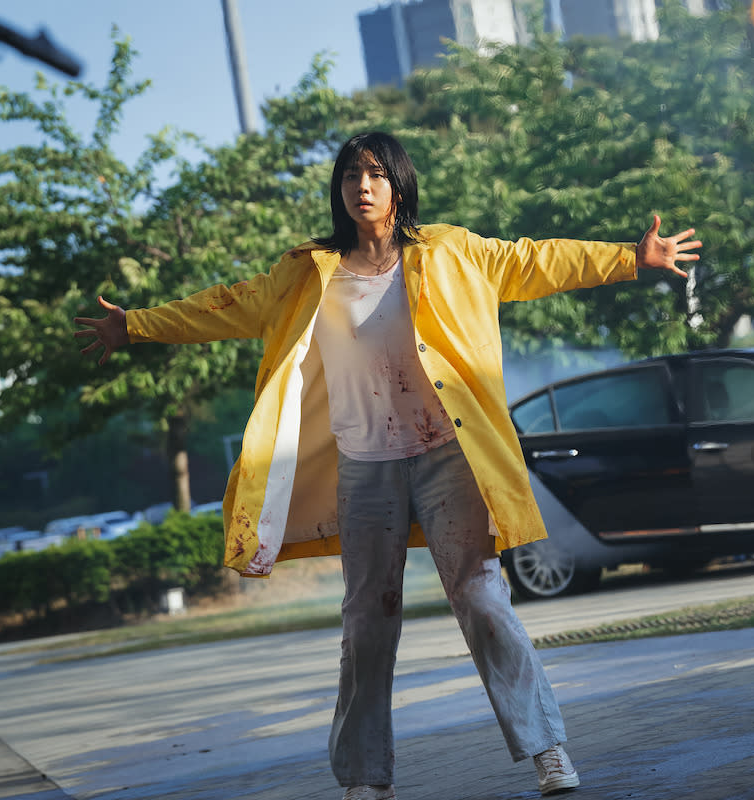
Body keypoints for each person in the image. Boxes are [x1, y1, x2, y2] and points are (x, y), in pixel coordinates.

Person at [74, 131, 701, 800]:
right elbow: (222, 306)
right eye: (350, 176)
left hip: (448, 458)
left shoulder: (454, 252)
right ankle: (365, 779)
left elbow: (536, 259)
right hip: (364, 469)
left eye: (375, 174)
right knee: (367, 621)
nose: (362, 186)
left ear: (398, 186)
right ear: (339, 192)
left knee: (483, 599)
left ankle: (547, 748)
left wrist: (630, 259)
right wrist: (135, 325)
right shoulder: (304, 274)